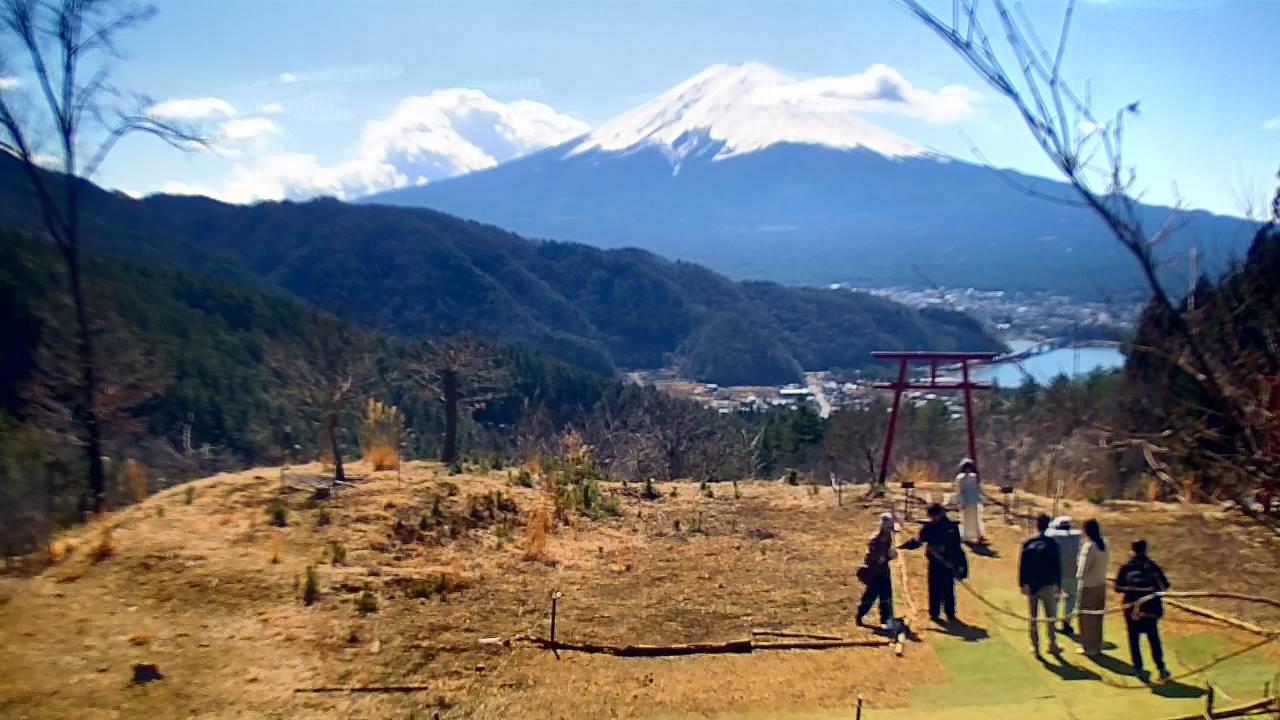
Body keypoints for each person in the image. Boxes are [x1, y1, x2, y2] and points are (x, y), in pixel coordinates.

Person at [900, 503, 967, 623]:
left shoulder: (952, 527)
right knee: (934, 588)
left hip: (948, 563)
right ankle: (934, 613)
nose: (933, 518)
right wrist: (904, 546)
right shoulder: (929, 527)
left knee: (948, 589)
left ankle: (950, 612)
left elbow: (957, 547)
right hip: (934, 563)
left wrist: (960, 565)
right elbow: (918, 541)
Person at [1116, 539, 1172, 681]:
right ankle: (1161, 668)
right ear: (1145, 549)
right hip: (1149, 609)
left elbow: (1117, 588)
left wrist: (1134, 590)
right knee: (1153, 639)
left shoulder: (1127, 567)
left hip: (1132, 608)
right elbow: (1164, 587)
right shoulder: (1153, 567)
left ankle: (1139, 668)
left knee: (1134, 639)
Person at [1019, 513, 1062, 655]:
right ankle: (1052, 643)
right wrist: (1058, 585)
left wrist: (1022, 583)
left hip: (1032, 585)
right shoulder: (1053, 544)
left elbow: (1023, 565)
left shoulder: (1028, 542)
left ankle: (1035, 646)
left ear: (1037, 525)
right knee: (1050, 617)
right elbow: (1057, 566)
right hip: (1048, 584)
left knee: (1033, 617)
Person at [856, 512, 898, 629]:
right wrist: (888, 556)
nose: (890, 530)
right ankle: (860, 615)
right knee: (870, 597)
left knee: (887, 597)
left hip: (884, 572)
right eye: (889, 527)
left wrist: (889, 555)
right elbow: (874, 558)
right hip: (874, 573)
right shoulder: (875, 540)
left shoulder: (888, 537)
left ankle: (886, 619)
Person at [1076, 519, 1109, 656]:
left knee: (1086, 617)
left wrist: (1078, 576)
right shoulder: (1105, 544)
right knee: (1097, 616)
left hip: (1089, 585)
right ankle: (1097, 644)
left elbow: (1083, 569)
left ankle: (1088, 647)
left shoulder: (1089, 546)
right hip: (1101, 584)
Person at [1046, 516, 1082, 634]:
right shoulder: (1075, 537)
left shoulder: (1053, 536)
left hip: (1056, 573)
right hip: (1071, 572)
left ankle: (1053, 621)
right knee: (1071, 598)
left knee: (1055, 599)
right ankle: (1066, 622)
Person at [954, 458, 985, 544]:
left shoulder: (974, 477)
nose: (968, 469)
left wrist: (979, 498)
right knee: (966, 519)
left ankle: (977, 535)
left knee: (975, 518)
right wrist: (960, 501)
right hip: (965, 501)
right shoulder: (960, 478)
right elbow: (959, 490)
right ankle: (966, 536)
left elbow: (977, 489)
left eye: (969, 468)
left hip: (973, 500)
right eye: (966, 468)